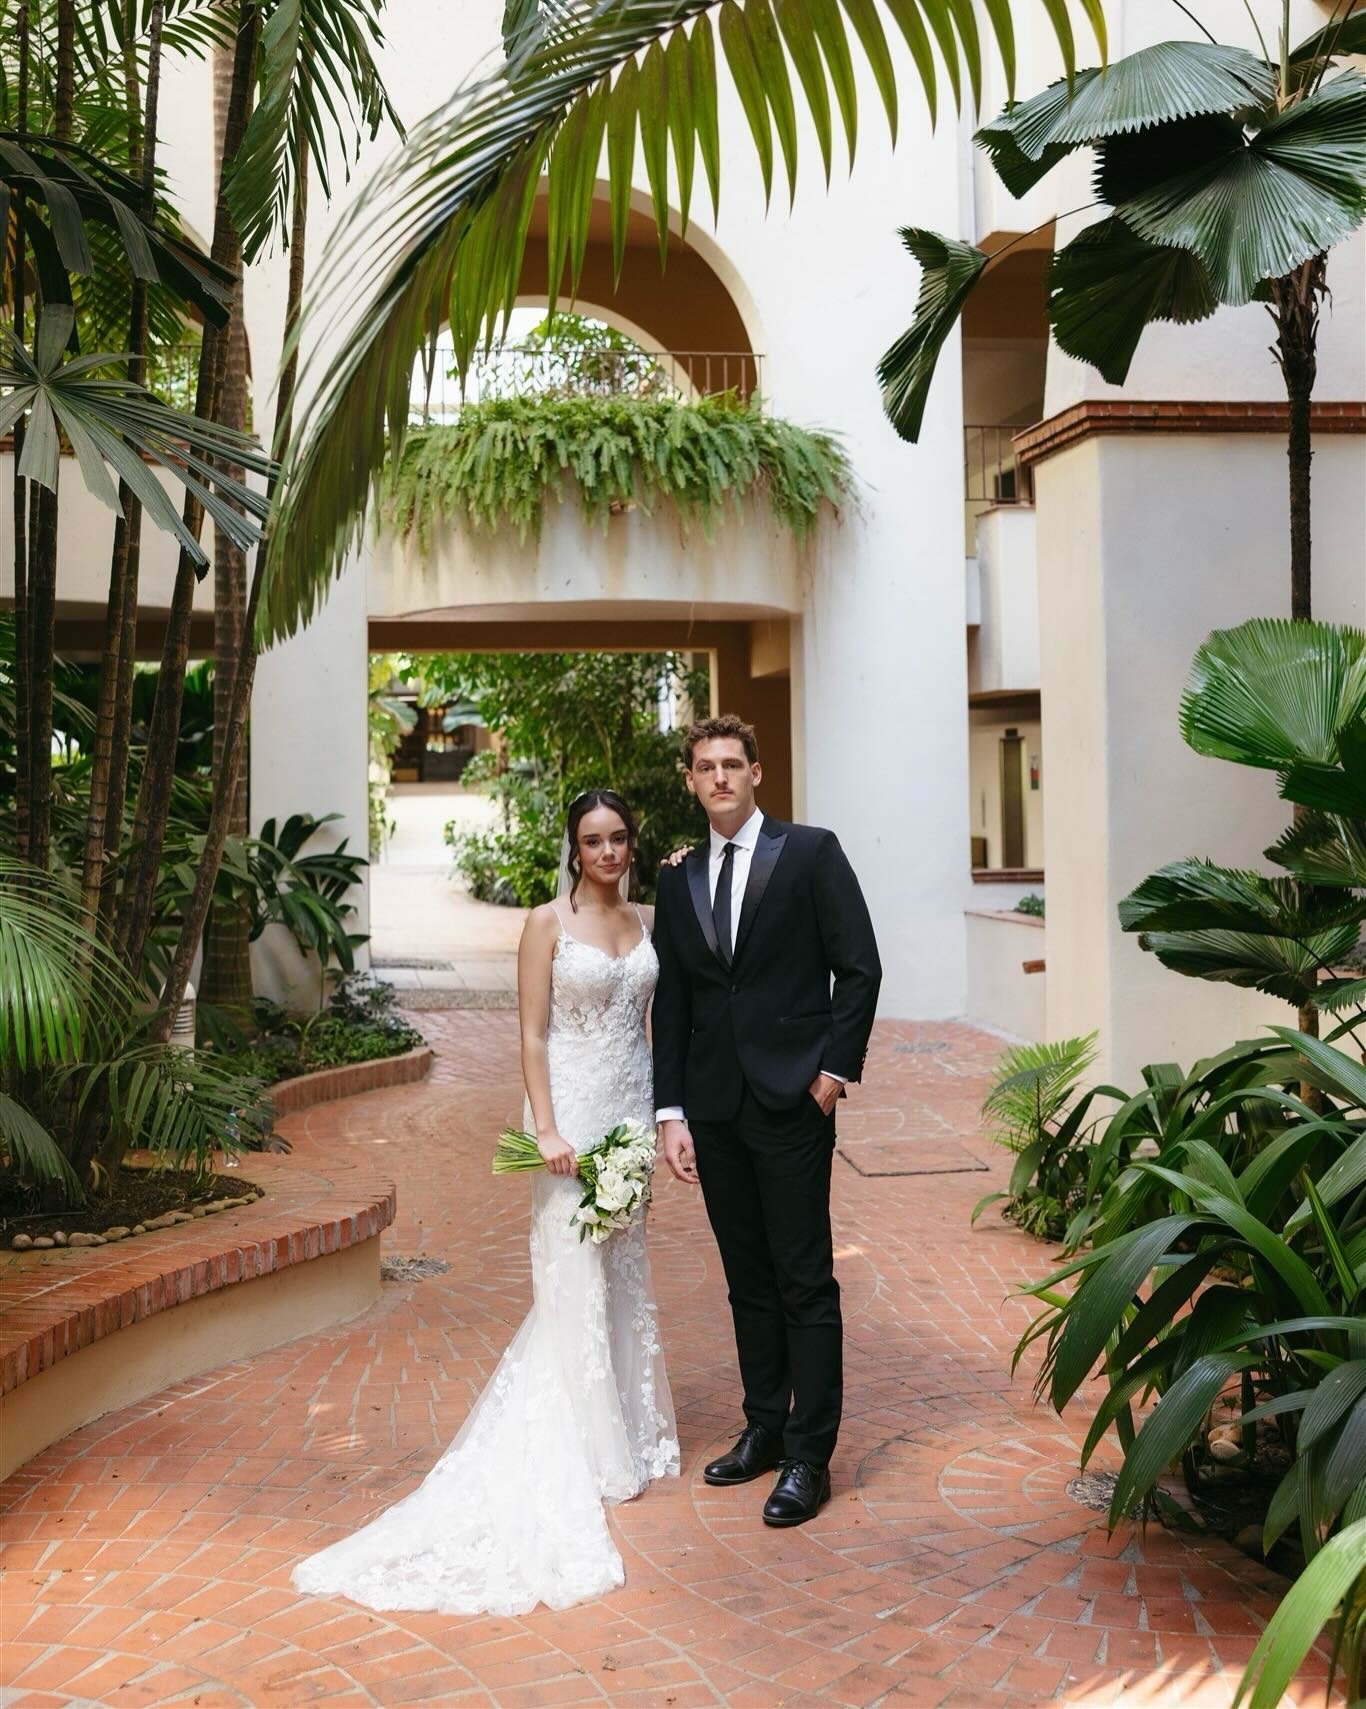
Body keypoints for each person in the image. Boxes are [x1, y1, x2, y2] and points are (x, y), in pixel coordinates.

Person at [290, 790, 678, 1617]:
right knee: (570, 1275)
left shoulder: (649, 920)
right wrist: (544, 1124)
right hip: (569, 1118)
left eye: (618, 838)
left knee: (621, 1271)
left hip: (631, 1110)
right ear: (573, 849)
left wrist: (656, 1121)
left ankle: (631, 1432)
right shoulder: (545, 922)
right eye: (591, 840)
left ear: (631, 846)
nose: (606, 851)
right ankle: (584, 1443)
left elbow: (656, 1023)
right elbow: (532, 1033)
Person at [652, 715, 881, 1527]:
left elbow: (859, 965)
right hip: (714, 1106)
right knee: (746, 1276)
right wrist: (670, 1110)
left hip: (793, 1100)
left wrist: (833, 1070)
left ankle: (809, 1457)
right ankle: (764, 1427)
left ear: (756, 772)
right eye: (704, 766)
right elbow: (674, 1001)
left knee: (803, 1278)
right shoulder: (677, 879)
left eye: (731, 764)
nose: (719, 777)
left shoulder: (812, 853)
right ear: (691, 780)